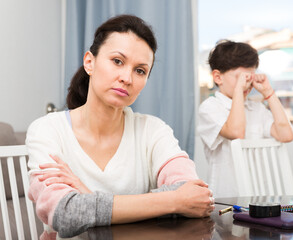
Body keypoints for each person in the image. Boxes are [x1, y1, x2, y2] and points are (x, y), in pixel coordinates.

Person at [26, 14, 214, 238]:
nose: (127, 77)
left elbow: (195, 197)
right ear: (90, 62)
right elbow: (65, 213)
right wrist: (173, 200)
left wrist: (86, 195)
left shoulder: (153, 130)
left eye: (140, 70)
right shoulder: (47, 130)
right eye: (117, 61)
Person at [197, 40, 293, 198]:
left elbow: (286, 135)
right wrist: (238, 92)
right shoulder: (210, 107)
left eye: (249, 77)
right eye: (239, 77)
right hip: (226, 198)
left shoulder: (256, 109)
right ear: (218, 77)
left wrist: (269, 93)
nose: (247, 84)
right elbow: (236, 132)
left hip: (259, 197)